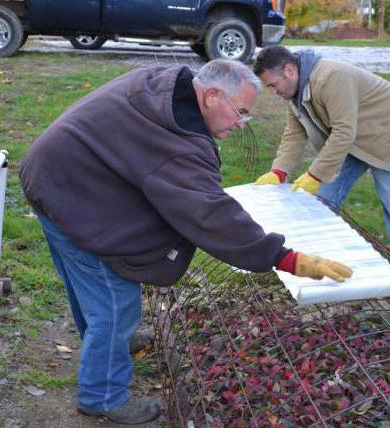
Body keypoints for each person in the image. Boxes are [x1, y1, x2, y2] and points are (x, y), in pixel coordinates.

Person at [19, 59, 352, 425]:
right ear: (210, 95)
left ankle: (109, 345)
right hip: (74, 198)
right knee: (115, 304)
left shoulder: (163, 85)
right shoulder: (174, 144)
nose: (241, 123)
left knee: (92, 294)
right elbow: (210, 215)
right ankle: (102, 396)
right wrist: (285, 258)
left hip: (56, 176)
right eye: (240, 112)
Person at [253, 46, 390, 271]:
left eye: (273, 85)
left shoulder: (331, 77)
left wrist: (314, 174)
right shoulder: (295, 93)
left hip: (387, 129)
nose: (272, 91)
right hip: (353, 136)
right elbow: (294, 134)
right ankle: (320, 265)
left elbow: (343, 132)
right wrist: (278, 172)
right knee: (323, 200)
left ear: (290, 70)